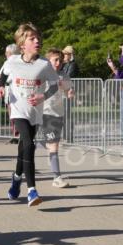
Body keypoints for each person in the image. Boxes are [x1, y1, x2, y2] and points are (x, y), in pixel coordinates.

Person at [0, 24, 58, 207]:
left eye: (38, 37)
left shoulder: (44, 64)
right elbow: (2, 76)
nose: (37, 41)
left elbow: (54, 86)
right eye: (32, 38)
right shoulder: (12, 61)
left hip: (34, 112)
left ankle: (16, 178)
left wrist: (42, 96)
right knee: (29, 144)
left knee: (24, 147)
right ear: (22, 44)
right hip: (18, 110)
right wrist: (1, 88)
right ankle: (32, 190)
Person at [43, 48, 75, 187]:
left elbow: (68, 91)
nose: (58, 63)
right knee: (54, 145)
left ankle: (37, 144)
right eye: (55, 60)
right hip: (44, 113)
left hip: (58, 113)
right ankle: (57, 178)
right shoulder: (42, 75)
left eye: (60, 61)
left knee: (51, 143)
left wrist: (70, 93)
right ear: (48, 61)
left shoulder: (64, 76)